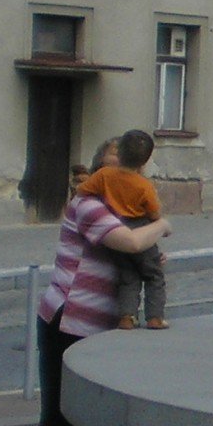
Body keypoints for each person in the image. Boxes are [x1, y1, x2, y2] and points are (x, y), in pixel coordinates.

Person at [27, 138, 172, 426]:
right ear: (100, 173)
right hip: (69, 318)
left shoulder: (119, 209)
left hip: (99, 325)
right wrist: (160, 225)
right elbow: (129, 241)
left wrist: (149, 252)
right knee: (60, 411)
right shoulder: (87, 205)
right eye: (114, 168)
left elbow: (139, 252)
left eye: (129, 170)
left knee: (89, 413)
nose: (123, 175)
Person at [81, 128, 167, 329]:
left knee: (128, 276)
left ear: (119, 154)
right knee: (154, 275)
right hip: (139, 227)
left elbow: (82, 190)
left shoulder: (103, 175)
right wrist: (161, 225)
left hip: (116, 225)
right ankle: (155, 317)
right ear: (145, 161)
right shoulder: (144, 185)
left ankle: (127, 316)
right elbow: (154, 213)